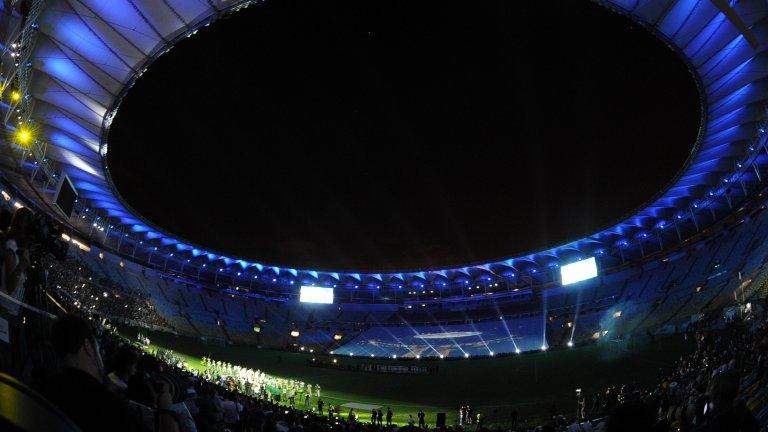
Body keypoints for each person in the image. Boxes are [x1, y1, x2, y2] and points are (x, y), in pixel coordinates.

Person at [43, 314, 172, 432]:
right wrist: (165, 411)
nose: (101, 355)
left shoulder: (47, 388)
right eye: (98, 349)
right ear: (88, 346)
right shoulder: (112, 408)